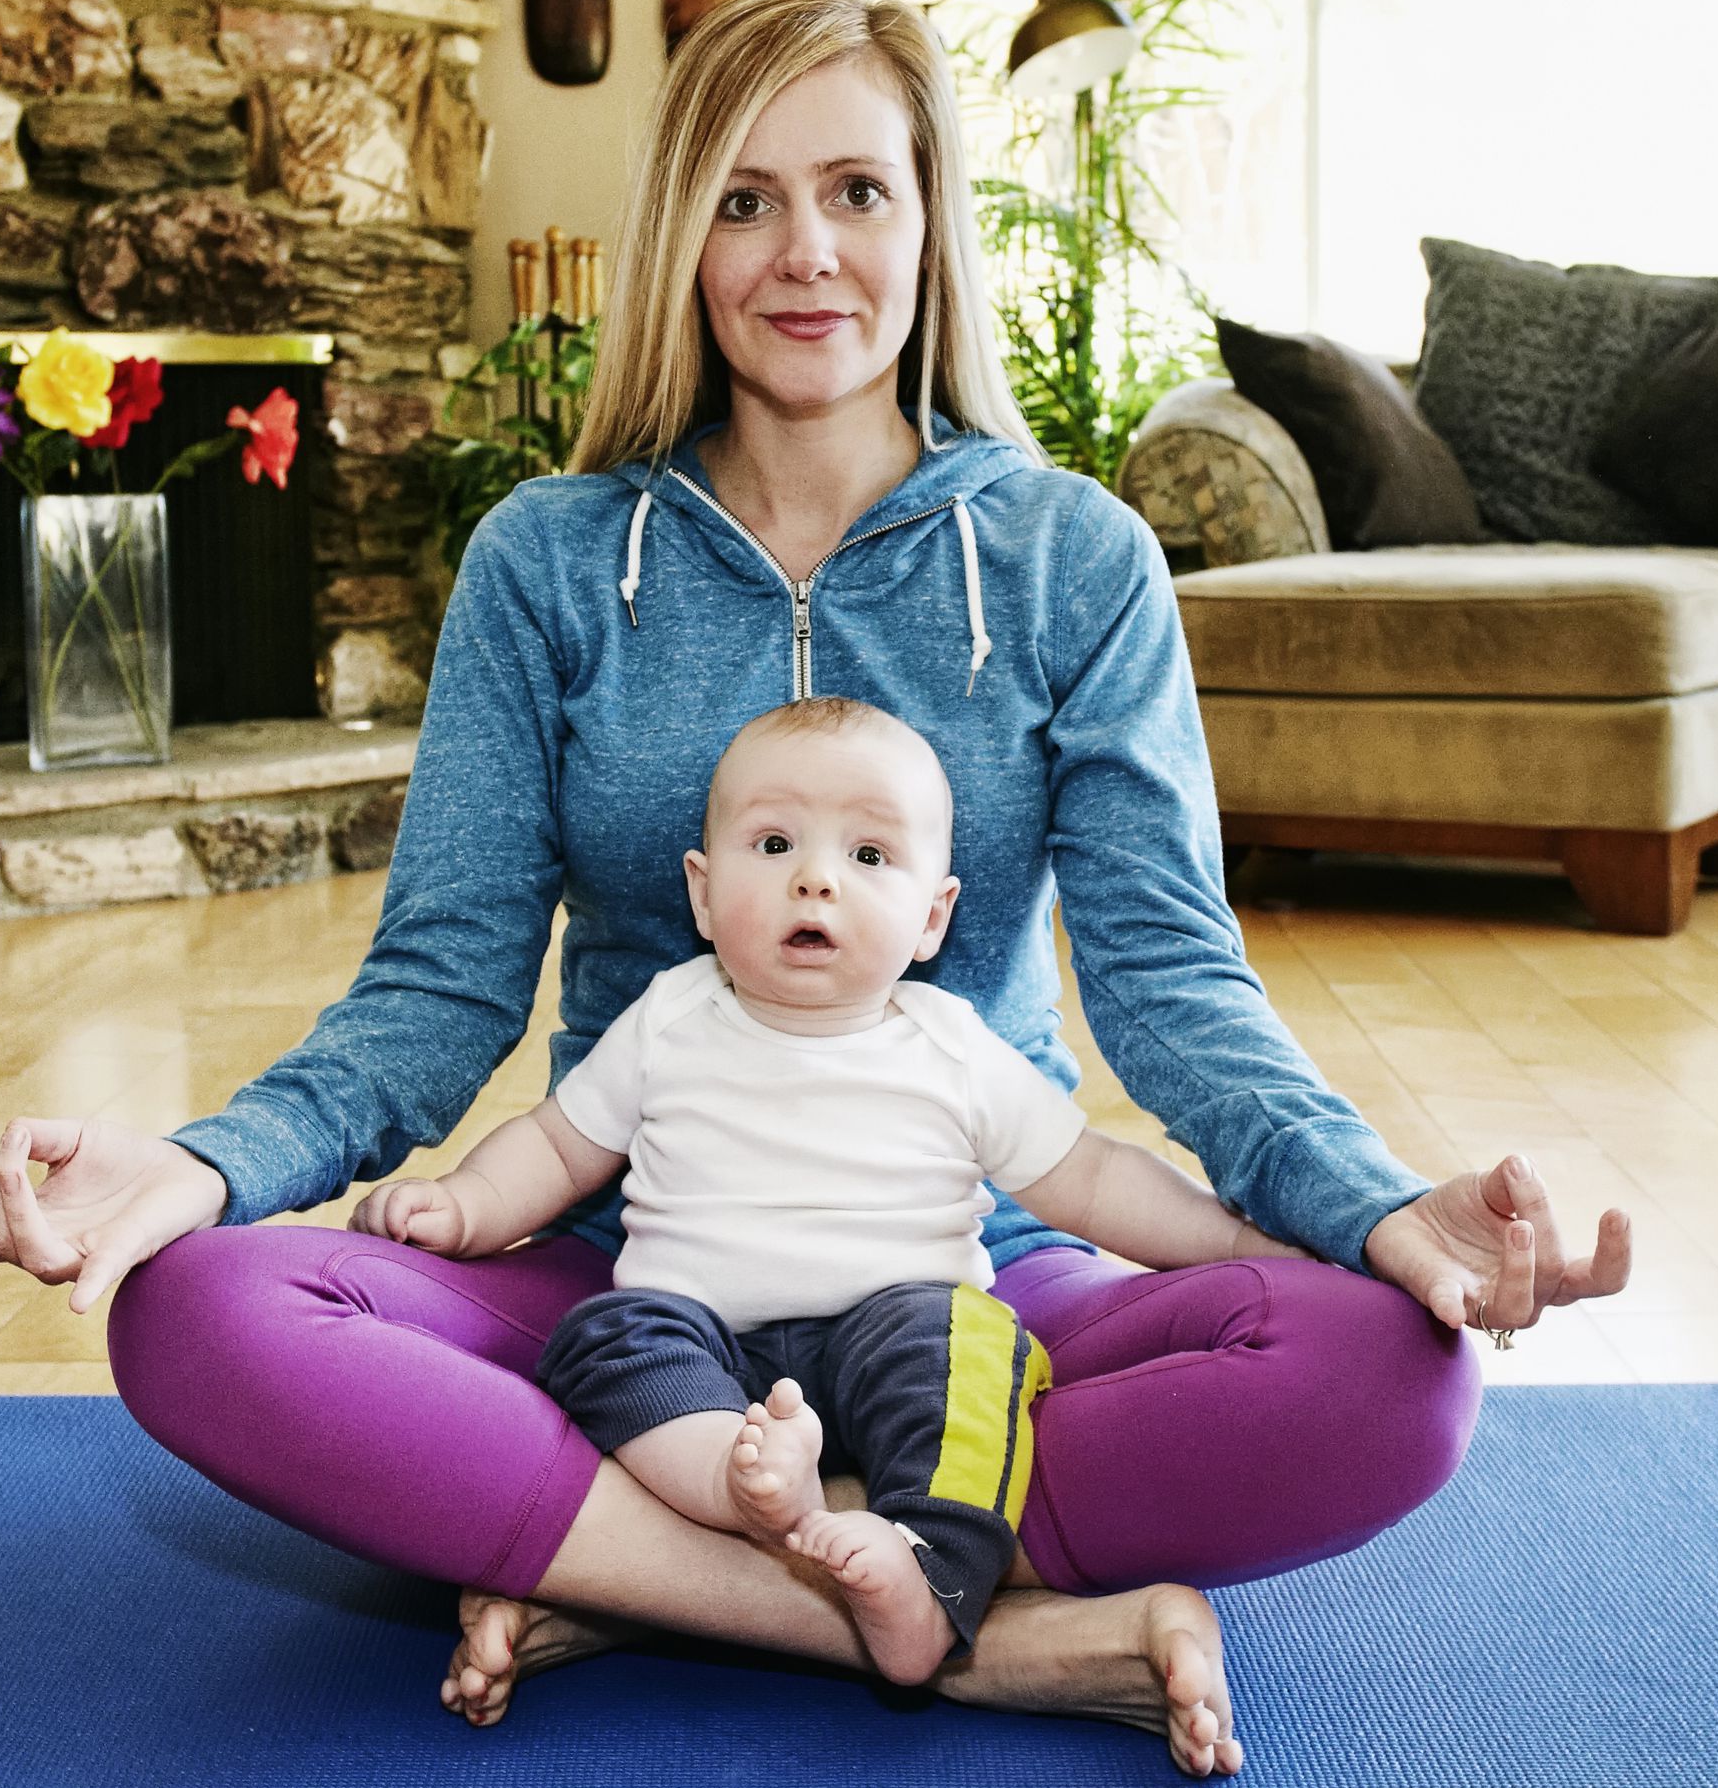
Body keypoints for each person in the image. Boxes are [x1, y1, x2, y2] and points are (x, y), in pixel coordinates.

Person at [0, 0, 1635, 1780]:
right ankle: (960, 1635)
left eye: (856, 192)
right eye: (743, 201)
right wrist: (199, 1164)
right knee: (199, 1311)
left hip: (973, 1282)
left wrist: (1371, 1206)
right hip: (626, 1280)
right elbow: (432, 1001)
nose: (803, 251)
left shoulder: (1074, 561)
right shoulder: (552, 564)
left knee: (1391, 1374)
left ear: (927, 217)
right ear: (683, 238)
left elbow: (1175, 991)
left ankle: (623, 1570)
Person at [357, 694, 1304, 1686]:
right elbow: (557, 1148)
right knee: (604, 1338)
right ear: (702, 889)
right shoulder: (670, 1016)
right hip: (704, 1335)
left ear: (933, 913)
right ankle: (740, 1483)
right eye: (771, 843)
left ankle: (924, 1574)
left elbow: (1095, 1177)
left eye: (867, 856)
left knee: (976, 1353)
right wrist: (465, 1202)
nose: (813, 876)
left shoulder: (951, 1045)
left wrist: (1236, 1238)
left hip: (900, 1322)